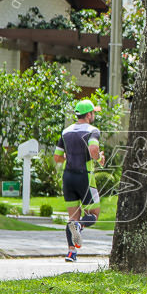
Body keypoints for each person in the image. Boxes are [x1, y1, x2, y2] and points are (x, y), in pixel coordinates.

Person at [54, 99, 105, 262]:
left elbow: (57, 157)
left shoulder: (66, 131)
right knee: (93, 214)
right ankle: (80, 226)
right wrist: (99, 158)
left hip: (68, 177)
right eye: (93, 113)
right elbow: (93, 149)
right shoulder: (92, 130)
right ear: (88, 114)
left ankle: (71, 253)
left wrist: (68, 157)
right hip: (84, 177)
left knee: (72, 217)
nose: (94, 115)